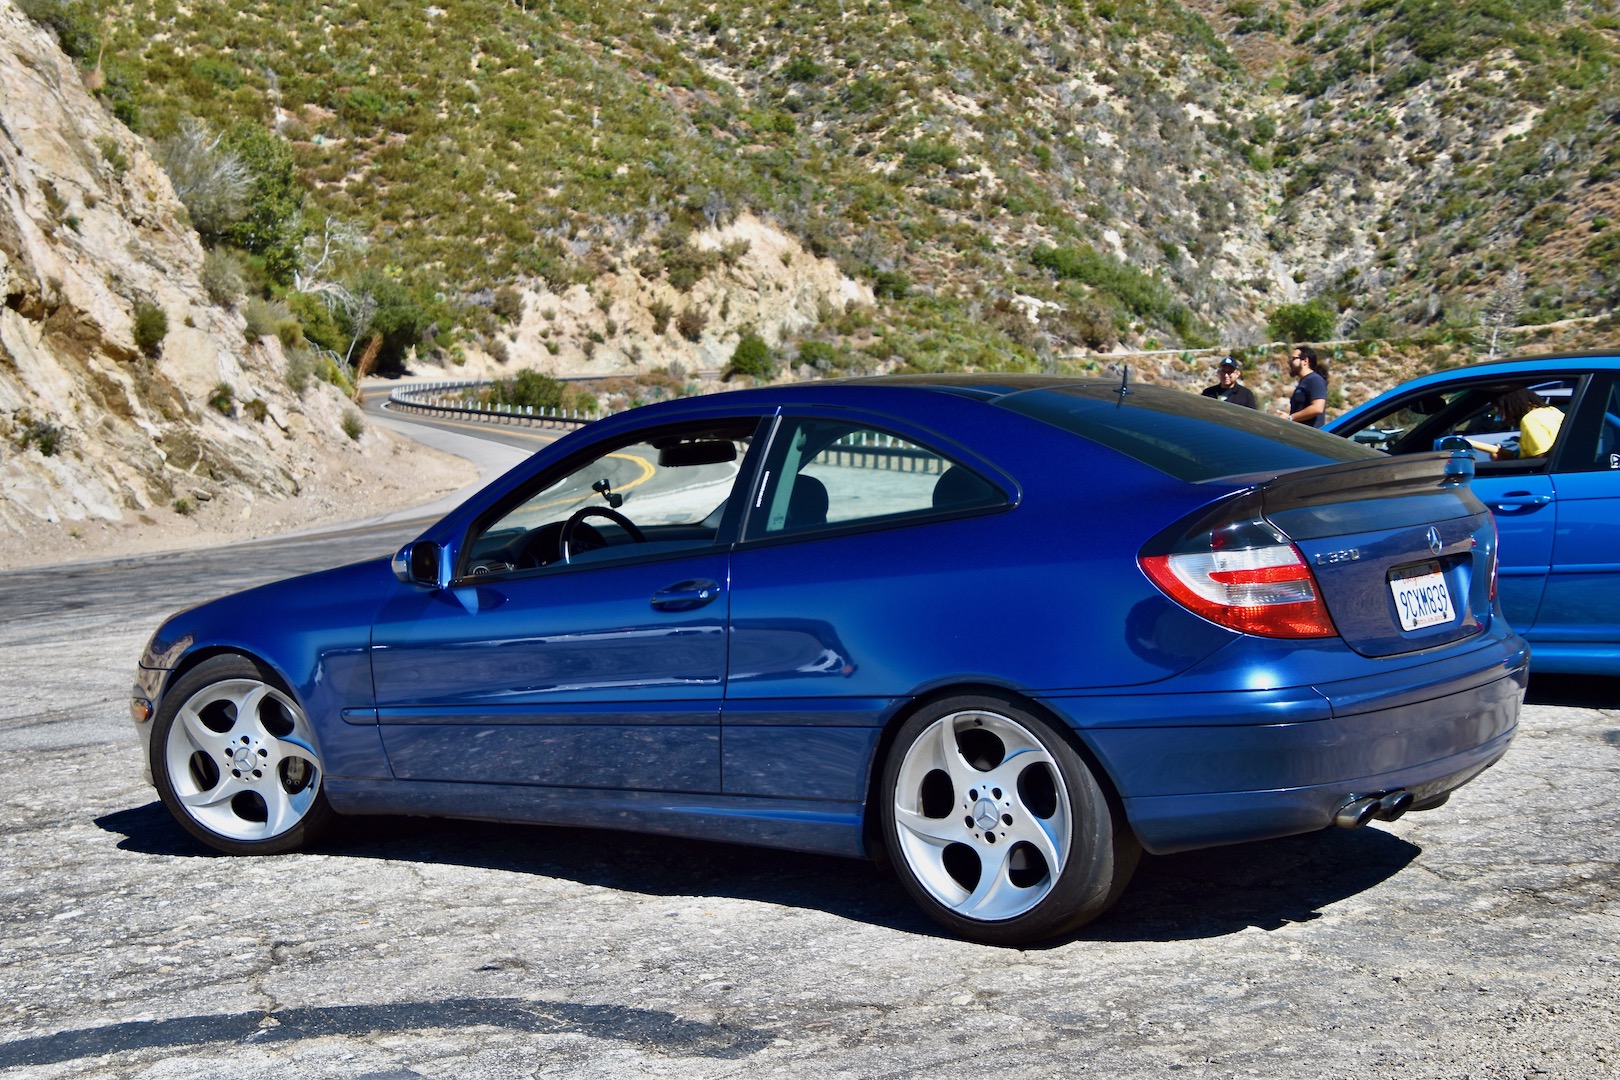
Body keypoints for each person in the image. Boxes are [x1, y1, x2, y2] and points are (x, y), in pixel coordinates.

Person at [1474, 387, 1564, 459]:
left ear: (1510, 406)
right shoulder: (1552, 411)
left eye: (1500, 411)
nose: (1502, 418)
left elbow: (1542, 458)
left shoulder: (1530, 420)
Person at [1283, 344, 1327, 427]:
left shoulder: (1314, 380)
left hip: (1310, 437)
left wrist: (1290, 418)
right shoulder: (1305, 381)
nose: (1290, 362)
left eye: (1293, 359)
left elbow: (1317, 408)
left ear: (1305, 361)